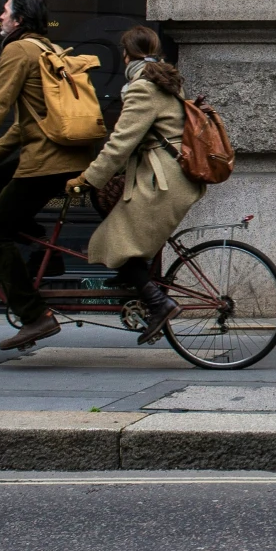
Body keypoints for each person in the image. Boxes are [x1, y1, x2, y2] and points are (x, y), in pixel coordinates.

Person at [0, 0, 99, 351]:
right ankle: (41, 251)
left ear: (18, 20)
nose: (0, 18)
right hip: (62, 154)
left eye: (4, 12)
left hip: (47, 160)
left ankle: (35, 316)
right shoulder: (45, 48)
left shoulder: (18, 50)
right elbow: (26, 122)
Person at [68, 25, 202, 344]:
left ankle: (158, 303)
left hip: (163, 182)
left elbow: (120, 143)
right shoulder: (165, 80)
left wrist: (88, 177)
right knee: (113, 217)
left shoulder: (143, 87)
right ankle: (138, 283)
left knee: (115, 241)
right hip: (167, 176)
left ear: (125, 54)